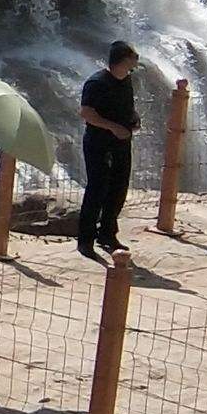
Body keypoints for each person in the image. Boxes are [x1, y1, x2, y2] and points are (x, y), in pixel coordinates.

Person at [76, 42, 139, 260]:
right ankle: (85, 240)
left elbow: (126, 106)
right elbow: (86, 112)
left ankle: (107, 234)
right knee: (97, 188)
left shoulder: (127, 80)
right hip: (98, 142)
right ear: (124, 59)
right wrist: (113, 127)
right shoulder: (97, 82)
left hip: (122, 142)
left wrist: (133, 119)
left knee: (118, 188)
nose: (137, 61)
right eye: (134, 57)